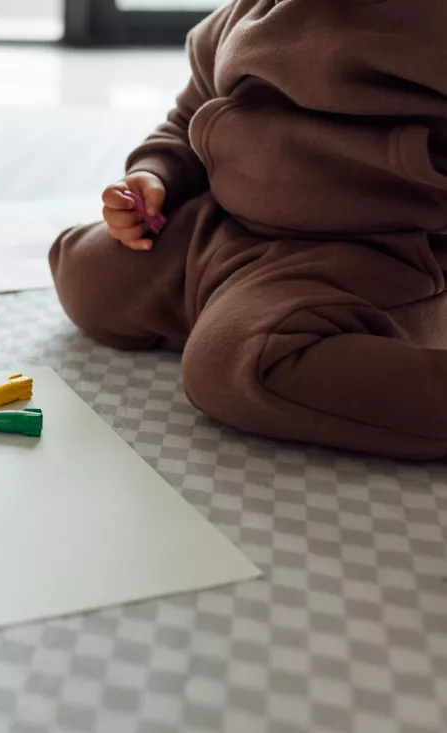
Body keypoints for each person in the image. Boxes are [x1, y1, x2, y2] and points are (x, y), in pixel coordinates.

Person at [50, 0, 447, 460]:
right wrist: (155, 175)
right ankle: (233, 309)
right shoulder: (248, 11)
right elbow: (188, 116)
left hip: (366, 254)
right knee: (86, 270)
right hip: (228, 225)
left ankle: (272, 326)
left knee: (241, 366)